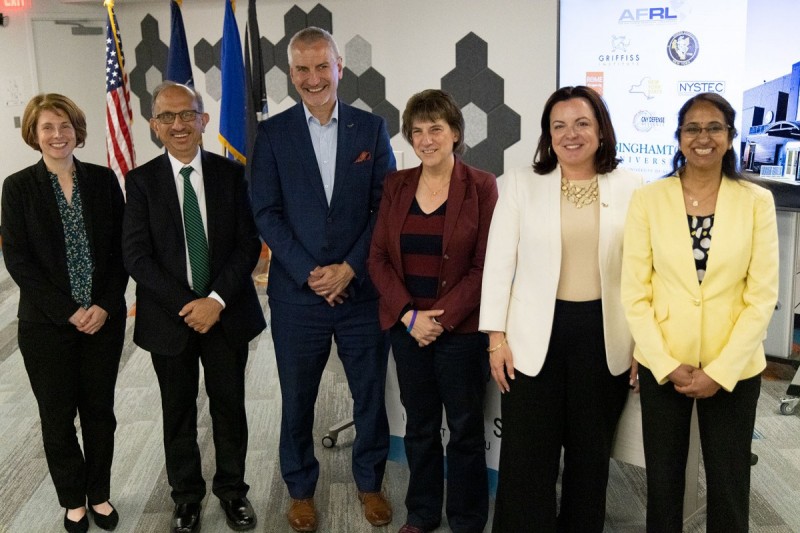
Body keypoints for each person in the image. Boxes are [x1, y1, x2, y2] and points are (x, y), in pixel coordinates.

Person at [249, 26, 396, 532]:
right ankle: (300, 488)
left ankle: (370, 482)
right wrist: (309, 271)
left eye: (322, 66)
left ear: (340, 68)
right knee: (297, 397)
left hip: (360, 292)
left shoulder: (371, 129)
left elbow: (385, 207)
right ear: (291, 74)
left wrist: (351, 266)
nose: (314, 78)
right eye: (303, 69)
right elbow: (265, 212)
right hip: (298, 293)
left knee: (370, 393)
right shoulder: (271, 134)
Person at [479, 85, 642, 532]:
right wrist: (496, 337)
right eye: (559, 126)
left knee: (590, 460)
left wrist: (643, 344)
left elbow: (643, 272)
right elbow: (497, 263)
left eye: (582, 123)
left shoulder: (631, 187)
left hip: (604, 335)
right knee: (528, 458)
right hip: (533, 338)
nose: (571, 134)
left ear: (602, 131)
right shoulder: (520, 184)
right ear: (547, 136)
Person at [621, 92, 778, 532]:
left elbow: (761, 296)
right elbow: (634, 293)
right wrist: (666, 364)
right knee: (664, 485)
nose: (703, 137)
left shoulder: (755, 201)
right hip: (665, 361)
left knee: (729, 484)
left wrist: (721, 371)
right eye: (692, 128)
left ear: (730, 137)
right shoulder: (649, 199)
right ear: (678, 137)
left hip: (735, 365)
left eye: (714, 128)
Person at [122, 81, 265, 533]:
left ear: (204, 120)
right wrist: (190, 305)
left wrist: (216, 301)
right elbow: (136, 255)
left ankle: (233, 492)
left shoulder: (229, 174)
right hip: (171, 318)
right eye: (167, 117)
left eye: (187, 115)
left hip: (225, 313)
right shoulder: (141, 181)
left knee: (229, 407)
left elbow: (248, 244)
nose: (179, 124)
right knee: (177, 411)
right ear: (154, 126)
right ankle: (186, 497)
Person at [368, 89, 498, 533]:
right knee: (420, 428)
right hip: (407, 331)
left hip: (459, 334)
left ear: (455, 133)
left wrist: (437, 320)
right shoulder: (396, 185)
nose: (426, 139)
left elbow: (486, 267)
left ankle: (466, 519)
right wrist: (409, 317)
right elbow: (378, 259)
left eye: (435, 129)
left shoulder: (481, 186)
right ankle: (422, 514)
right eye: (417, 131)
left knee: (464, 430)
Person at [1, 94, 127, 533]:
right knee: (57, 416)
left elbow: (119, 252)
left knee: (99, 412)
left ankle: (100, 494)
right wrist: (70, 311)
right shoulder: (17, 187)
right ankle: (72, 499)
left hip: (102, 323)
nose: (58, 135)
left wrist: (105, 306)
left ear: (78, 130)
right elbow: (18, 259)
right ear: (34, 134)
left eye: (65, 126)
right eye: (47, 127)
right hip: (46, 326)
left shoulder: (103, 180)